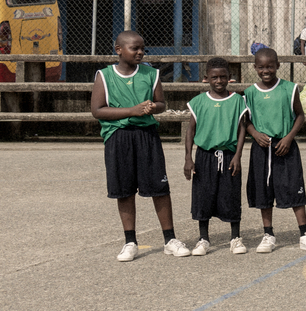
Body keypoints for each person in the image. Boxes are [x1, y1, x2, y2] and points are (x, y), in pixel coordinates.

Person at [91, 30, 188, 260]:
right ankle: (130, 241)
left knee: (159, 187)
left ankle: (170, 239)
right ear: (119, 50)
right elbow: (97, 110)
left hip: (146, 135)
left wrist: (155, 107)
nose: (140, 52)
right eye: (135, 48)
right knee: (123, 190)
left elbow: (162, 103)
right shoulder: (104, 76)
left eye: (143, 48)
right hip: (119, 136)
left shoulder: (151, 74)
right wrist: (131, 111)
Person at [245, 47, 306, 254]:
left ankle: (304, 234)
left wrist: (289, 137)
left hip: (285, 146)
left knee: (295, 188)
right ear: (255, 68)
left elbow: (300, 116)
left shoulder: (290, 88)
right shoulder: (250, 92)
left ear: (278, 66)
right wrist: (254, 133)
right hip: (262, 148)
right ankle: (268, 234)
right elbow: (246, 121)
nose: (266, 70)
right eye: (261, 67)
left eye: (270, 66)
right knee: (264, 191)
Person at [182, 56, 248, 256]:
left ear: (230, 77)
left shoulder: (237, 100)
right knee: (204, 196)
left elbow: (242, 130)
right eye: (214, 77)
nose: (219, 81)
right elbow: (191, 131)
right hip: (205, 156)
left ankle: (235, 238)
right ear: (206, 78)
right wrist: (188, 157)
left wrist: (238, 155)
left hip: (229, 156)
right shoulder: (198, 101)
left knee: (231, 195)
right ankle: (203, 239)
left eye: (223, 77)